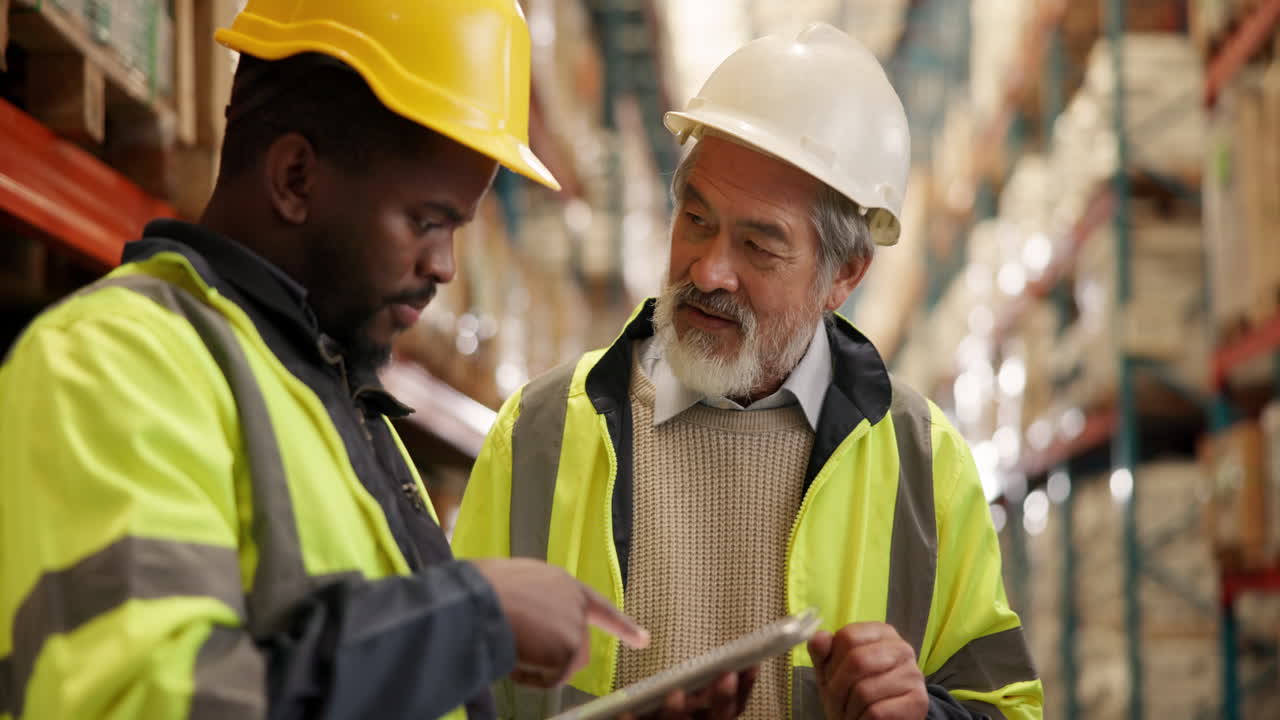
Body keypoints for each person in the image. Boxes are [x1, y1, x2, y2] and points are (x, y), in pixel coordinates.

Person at [0, 2, 661, 719]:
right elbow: (138, 703)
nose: (444, 266)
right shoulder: (113, 363)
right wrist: (469, 615)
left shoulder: (339, 406)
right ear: (295, 178)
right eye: (427, 221)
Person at [453, 23, 1045, 720]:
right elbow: (447, 696)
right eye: (696, 219)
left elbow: (1006, 708)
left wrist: (927, 716)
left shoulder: (924, 465)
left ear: (844, 275)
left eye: (759, 246)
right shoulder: (538, 437)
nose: (709, 271)